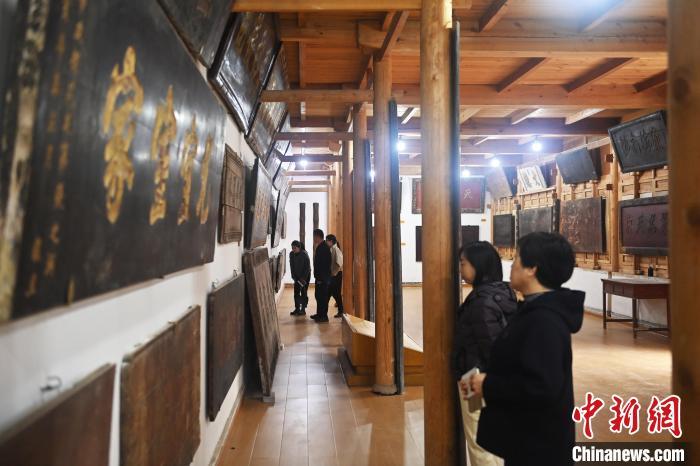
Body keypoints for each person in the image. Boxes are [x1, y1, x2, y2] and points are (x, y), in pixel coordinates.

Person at [465, 232, 584, 466]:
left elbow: (540, 387)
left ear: (532, 269)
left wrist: (487, 384)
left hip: (539, 449)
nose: (512, 265)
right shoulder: (534, 311)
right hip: (528, 439)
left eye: (517, 257)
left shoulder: (544, 321)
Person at [453, 241, 517, 466]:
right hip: (490, 378)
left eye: (463, 263)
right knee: (493, 440)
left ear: (478, 266)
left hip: (473, 377)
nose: (460, 268)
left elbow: (491, 347)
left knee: (478, 441)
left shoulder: (481, 302)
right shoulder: (502, 292)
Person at [311, 229, 332, 323]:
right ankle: (319, 314)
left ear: (317, 236)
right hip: (320, 278)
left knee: (322, 298)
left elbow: (324, 265)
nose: (313, 238)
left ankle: (323, 316)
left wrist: (320, 278)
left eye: (314, 236)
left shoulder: (323, 248)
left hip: (323, 278)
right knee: (318, 296)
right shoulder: (321, 246)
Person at [289, 241, 311, 316]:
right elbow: (291, 266)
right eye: (292, 248)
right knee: (296, 293)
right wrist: (294, 277)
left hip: (305, 276)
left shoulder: (304, 254)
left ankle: (303, 309)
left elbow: (307, 268)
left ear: (299, 248)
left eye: (295, 248)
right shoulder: (291, 254)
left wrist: (303, 279)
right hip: (297, 277)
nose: (293, 249)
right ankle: (297, 308)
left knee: (303, 292)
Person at [326, 234, 344, 318]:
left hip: (336, 275)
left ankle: (341, 311)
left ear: (331, 241)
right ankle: (323, 313)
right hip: (333, 275)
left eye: (327, 240)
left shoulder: (336, 249)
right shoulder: (332, 248)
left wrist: (333, 273)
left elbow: (339, 263)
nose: (326, 242)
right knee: (330, 293)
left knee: (336, 294)